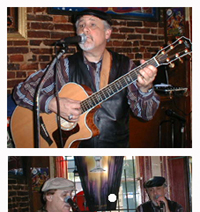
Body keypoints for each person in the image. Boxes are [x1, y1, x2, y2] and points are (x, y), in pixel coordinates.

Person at [13, 9, 160, 148]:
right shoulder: (64, 66)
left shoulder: (126, 66)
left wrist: (145, 89)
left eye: (92, 24)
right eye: (81, 25)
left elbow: (146, 114)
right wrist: (52, 104)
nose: (85, 29)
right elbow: (20, 91)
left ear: (107, 33)